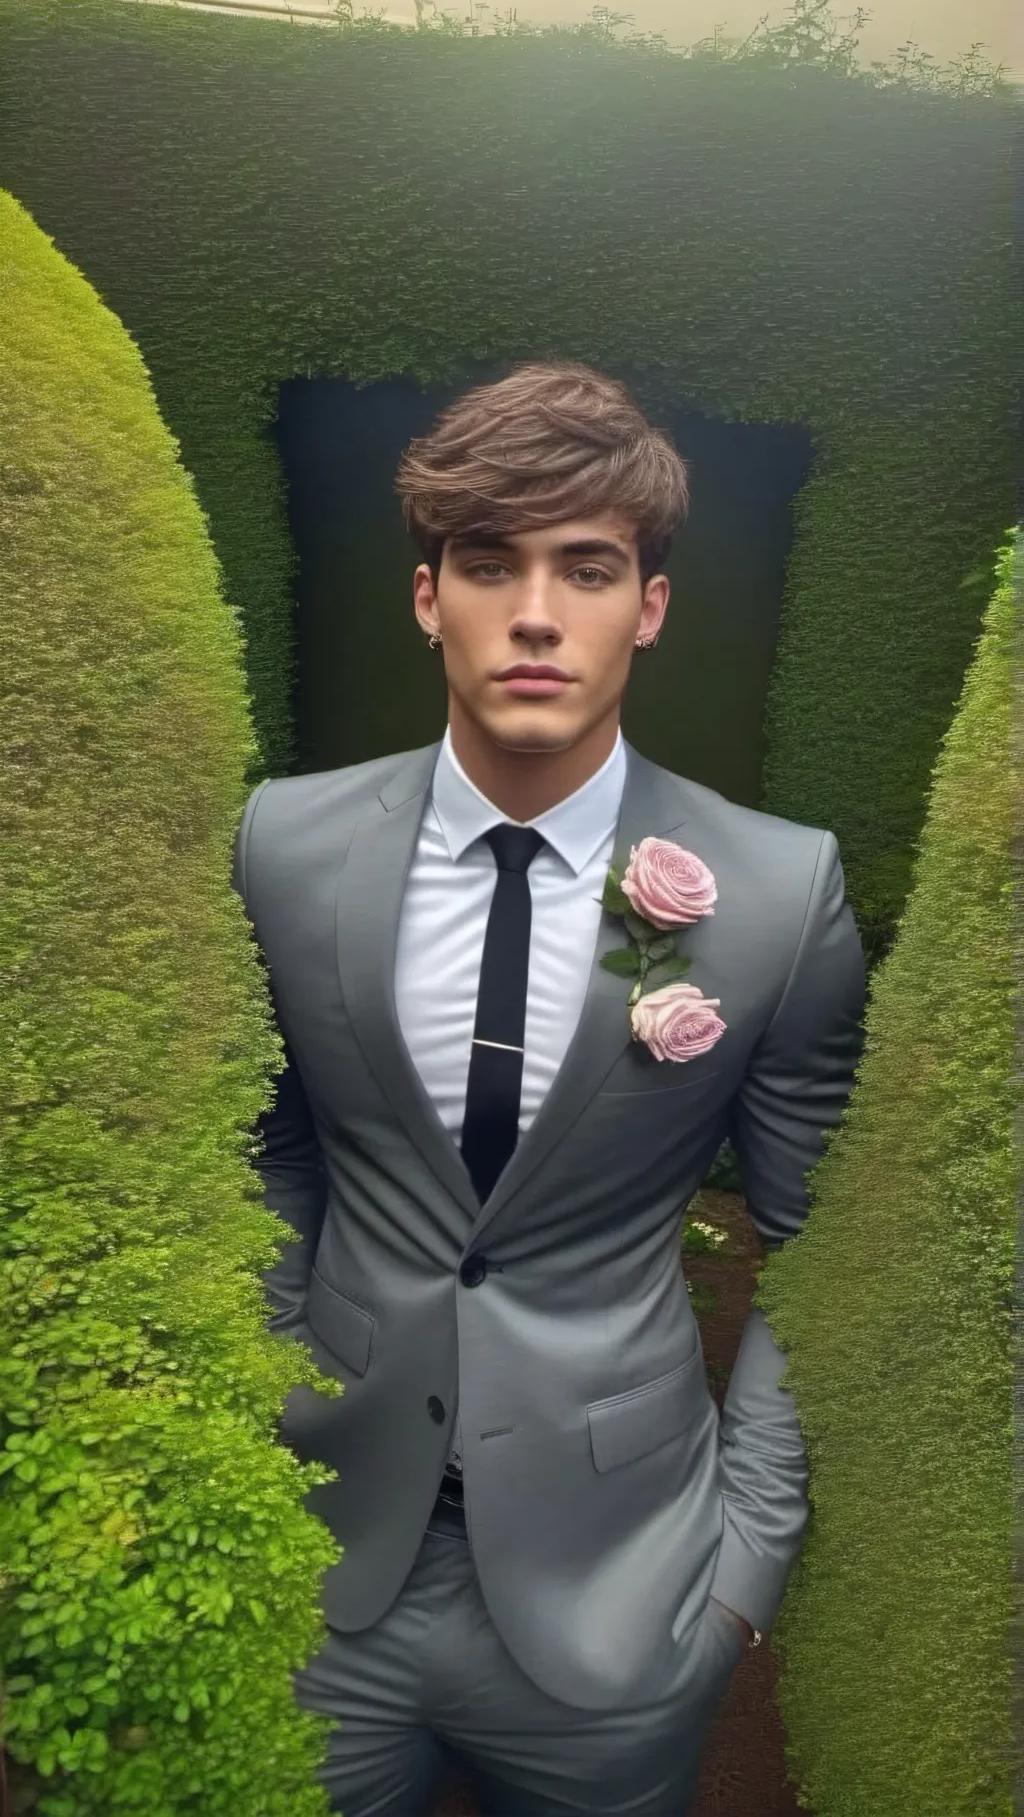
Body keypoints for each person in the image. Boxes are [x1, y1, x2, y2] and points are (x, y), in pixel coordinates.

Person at [231, 361, 867, 1817]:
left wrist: (741, 1575)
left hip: (626, 1593)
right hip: (322, 1561)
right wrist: (259, 1407)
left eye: (586, 568)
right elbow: (273, 1152)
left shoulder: (778, 895)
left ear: (649, 606)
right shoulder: (283, 847)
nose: (534, 613)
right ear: (427, 596)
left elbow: (817, 1246)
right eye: (488, 563)